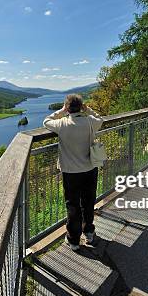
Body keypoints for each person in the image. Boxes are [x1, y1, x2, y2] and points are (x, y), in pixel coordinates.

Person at [43, 94, 104, 251]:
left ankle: (74, 240)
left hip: (71, 172)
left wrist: (61, 111)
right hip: (90, 169)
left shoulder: (63, 123)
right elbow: (100, 119)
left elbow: (46, 121)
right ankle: (89, 233)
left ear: (67, 108)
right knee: (88, 201)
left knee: (73, 205)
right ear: (81, 106)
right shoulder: (90, 121)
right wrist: (88, 109)